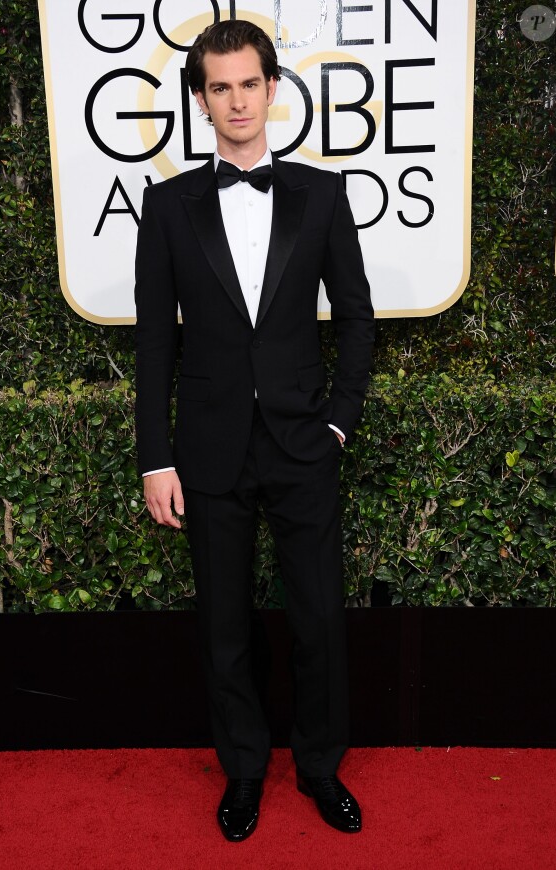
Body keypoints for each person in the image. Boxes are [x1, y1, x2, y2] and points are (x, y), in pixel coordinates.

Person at [135, 19, 375, 842]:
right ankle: (243, 771)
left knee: (318, 618)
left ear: (273, 88)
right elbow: (155, 341)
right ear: (201, 100)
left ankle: (318, 768)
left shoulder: (322, 193)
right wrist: (154, 459)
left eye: (249, 83)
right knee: (224, 624)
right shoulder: (167, 206)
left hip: (304, 442)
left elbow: (355, 318)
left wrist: (338, 421)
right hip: (206, 451)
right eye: (220, 87)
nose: (237, 100)